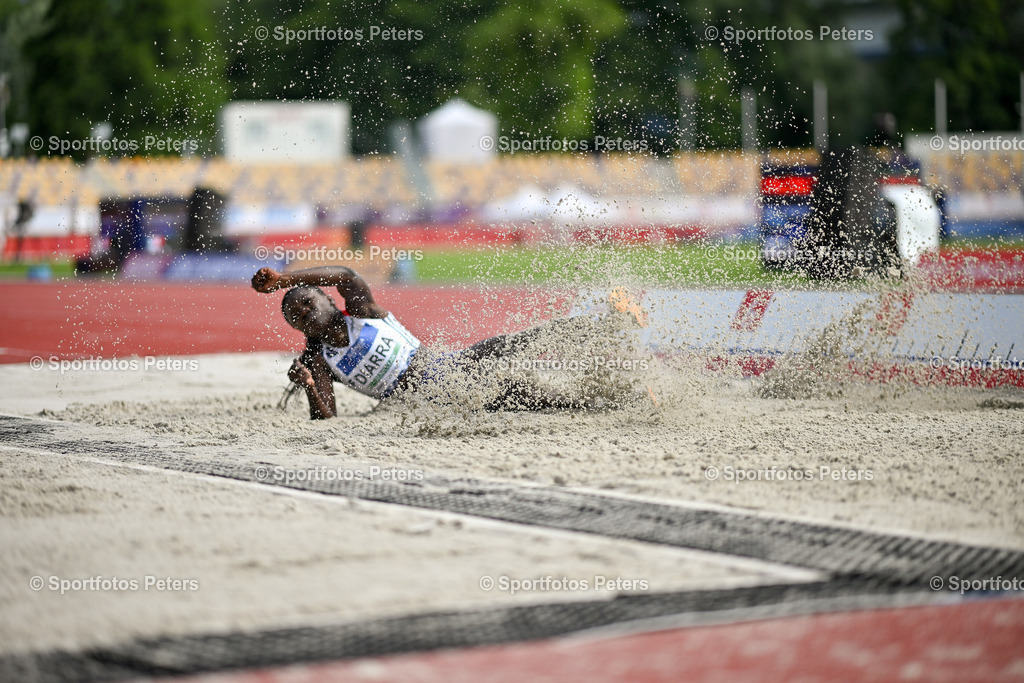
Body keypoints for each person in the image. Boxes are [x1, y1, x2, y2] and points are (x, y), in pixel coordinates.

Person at [251, 266, 649, 419]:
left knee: (511, 345)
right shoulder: (319, 360)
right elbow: (327, 422)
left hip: (447, 370)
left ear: (326, 297)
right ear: (299, 329)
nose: (304, 313)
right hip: (424, 404)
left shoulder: (363, 312)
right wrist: (308, 386)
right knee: (533, 397)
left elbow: (345, 274)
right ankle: (629, 400)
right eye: (296, 317)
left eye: (307, 302)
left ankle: (610, 323)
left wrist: (283, 281)